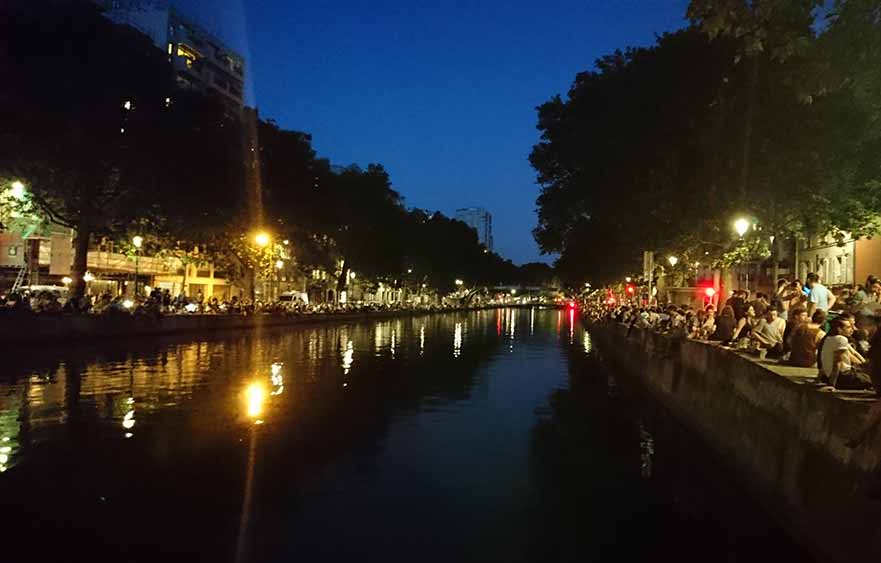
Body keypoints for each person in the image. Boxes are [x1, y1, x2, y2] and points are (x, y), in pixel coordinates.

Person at [818, 317, 871, 390]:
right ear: (839, 329)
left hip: (831, 376)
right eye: (848, 327)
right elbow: (837, 362)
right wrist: (832, 384)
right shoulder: (841, 339)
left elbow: (853, 354)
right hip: (843, 377)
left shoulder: (829, 338)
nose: (851, 330)